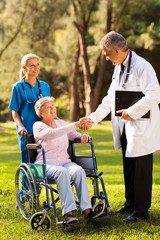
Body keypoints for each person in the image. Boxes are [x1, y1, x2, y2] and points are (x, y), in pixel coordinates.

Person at [79, 31, 160, 223]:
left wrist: (132, 111)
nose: (106, 58)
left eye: (107, 54)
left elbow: (154, 95)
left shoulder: (142, 66)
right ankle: (130, 204)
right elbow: (110, 99)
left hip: (141, 125)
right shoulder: (119, 67)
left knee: (141, 169)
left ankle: (141, 212)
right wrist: (93, 118)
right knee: (129, 166)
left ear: (117, 51)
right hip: (125, 126)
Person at [33, 96, 102, 224]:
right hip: (46, 165)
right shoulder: (38, 126)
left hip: (65, 162)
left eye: (53, 106)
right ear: (41, 112)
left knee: (78, 170)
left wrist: (84, 135)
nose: (53, 109)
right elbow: (53, 134)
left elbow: (76, 135)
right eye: (49, 107)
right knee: (62, 173)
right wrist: (75, 124)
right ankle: (68, 213)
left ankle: (87, 210)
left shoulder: (62, 123)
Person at [9, 53, 50, 163]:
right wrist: (21, 127)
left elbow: (49, 108)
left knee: (45, 164)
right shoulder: (18, 87)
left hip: (44, 131)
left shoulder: (45, 86)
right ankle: (25, 181)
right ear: (24, 67)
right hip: (28, 132)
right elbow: (15, 112)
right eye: (32, 65)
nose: (36, 68)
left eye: (37, 65)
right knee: (28, 165)